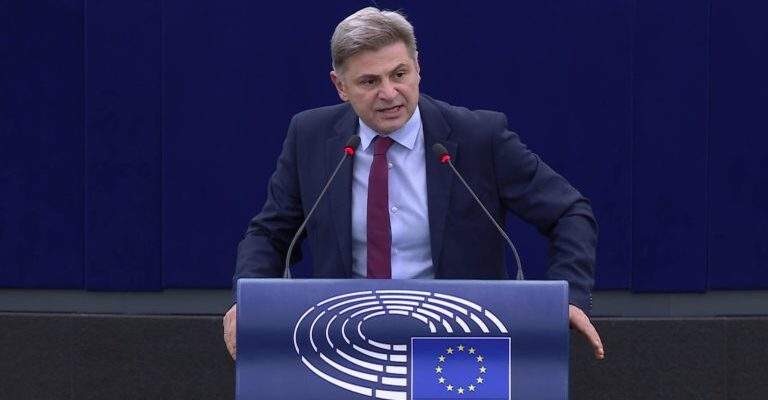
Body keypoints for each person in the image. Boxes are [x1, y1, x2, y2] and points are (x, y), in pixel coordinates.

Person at [223, 7, 604, 361]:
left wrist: (568, 296)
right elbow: (270, 234)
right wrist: (247, 299)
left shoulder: (478, 137)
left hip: (459, 344)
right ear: (340, 86)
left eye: (399, 74)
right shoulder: (310, 136)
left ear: (418, 68)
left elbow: (569, 212)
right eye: (369, 81)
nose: (389, 93)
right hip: (347, 343)